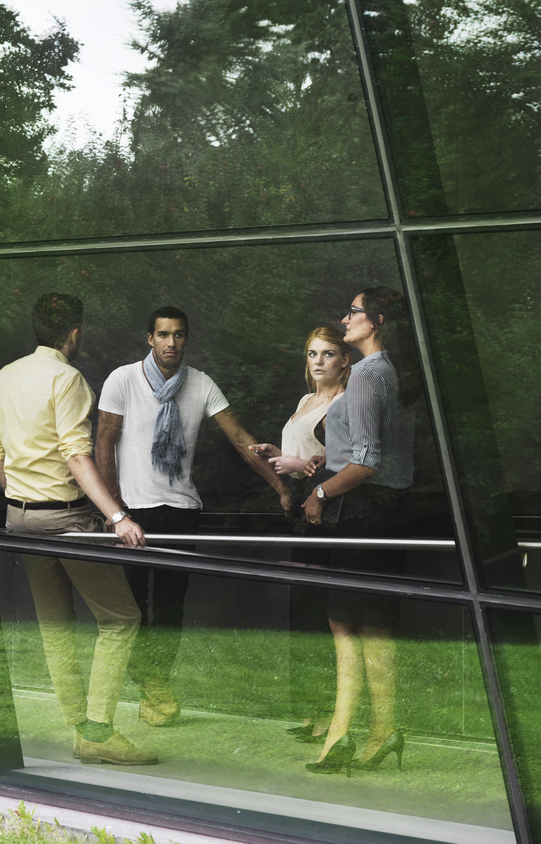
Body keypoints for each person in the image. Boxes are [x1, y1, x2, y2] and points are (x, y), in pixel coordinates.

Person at [95, 306, 291, 727]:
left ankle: (155, 684)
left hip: (181, 511)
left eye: (179, 335)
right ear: (150, 338)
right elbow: (103, 445)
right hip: (132, 512)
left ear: (187, 339)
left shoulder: (200, 384)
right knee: (132, 609)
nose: (171, 343)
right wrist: (115, 510)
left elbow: (240, 440)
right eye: (163, 335)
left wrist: (278, 486)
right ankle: (145, 683)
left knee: (170, 608)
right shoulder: (122, 379)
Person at [0, 292, 156, 766]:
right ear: (74, 333)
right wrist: (118, 516)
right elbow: (76, 454)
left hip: (19, 518)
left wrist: (20, 498)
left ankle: (81, 730)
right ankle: (98, 730)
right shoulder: (67, 378)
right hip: (65, 519)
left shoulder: (6, 376)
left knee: (55, 626)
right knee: (121, 618)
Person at [256, 288, 419, 774]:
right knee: (360, 623)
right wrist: (329, 458)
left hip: (364, 510)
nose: (345, 318)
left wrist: (320, 494)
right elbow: (373, 448)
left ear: (378, 320)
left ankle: (355, 732)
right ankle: (359, 731)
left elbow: (368, 461)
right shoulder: (388, 372)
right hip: (383, 510)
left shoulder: (368, 373)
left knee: (351, 622)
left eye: (354, 311)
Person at [251, 326, 353, 744]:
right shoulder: (305, 400)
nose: (318, 362)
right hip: (299, 516)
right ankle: (313, 712)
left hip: (323, 517)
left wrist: (300, 465)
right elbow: (303, 458)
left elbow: (340, 462)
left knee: (321, 616)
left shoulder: (345, 404)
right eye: (312, 353)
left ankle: (331, 716)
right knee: (303, 616)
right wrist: (278, 457)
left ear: (345, 360)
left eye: (328, 354)